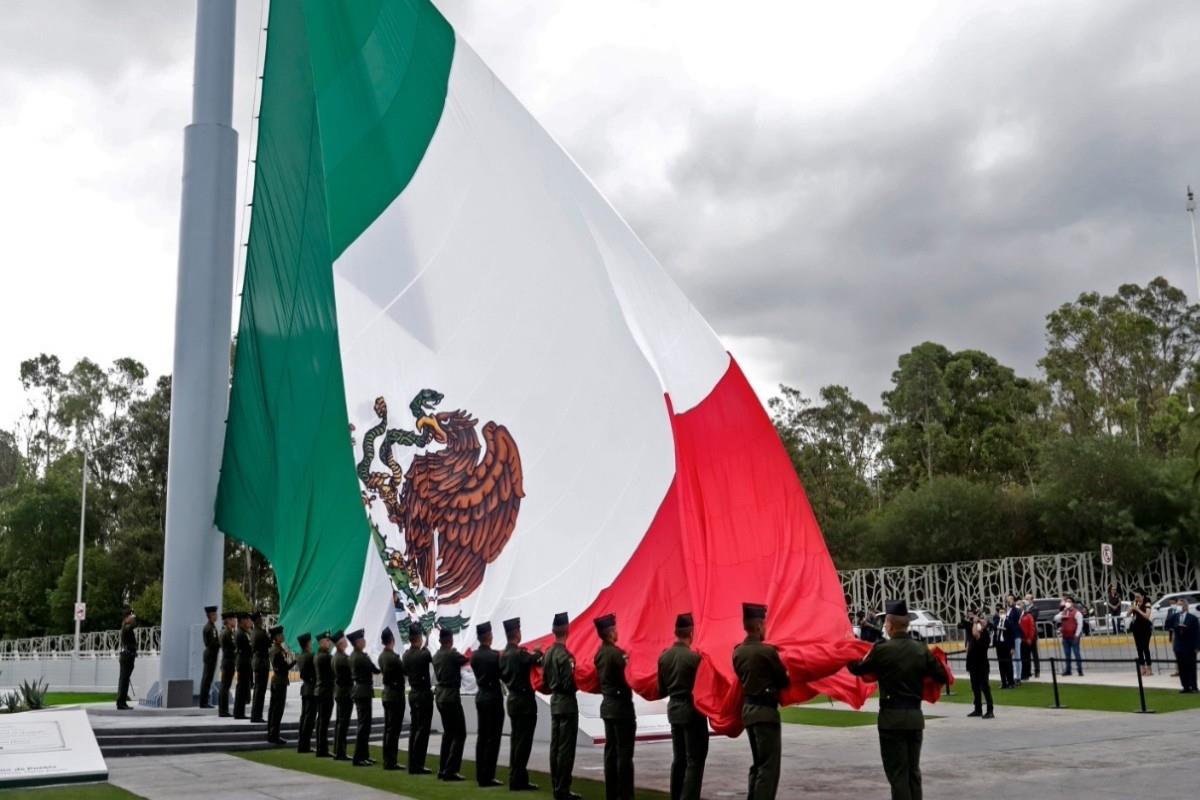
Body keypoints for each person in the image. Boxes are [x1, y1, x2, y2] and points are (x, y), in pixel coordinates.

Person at [848, 599, 949, 800]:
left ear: (891, 624)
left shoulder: (882, 649)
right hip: (914, 718)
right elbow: (942, 676)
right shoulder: (921, 649)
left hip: (891, 720)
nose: (884, 626)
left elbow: (857, 669)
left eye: (886, 623)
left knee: (898, 774)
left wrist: (846, 648)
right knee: (913, 772)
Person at [732, 602, 789, 800]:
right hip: (766, 713)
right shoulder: (767, 652)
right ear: (758, 626)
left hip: (748, 712)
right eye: (764, 624)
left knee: (757, 763)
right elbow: (783, 681)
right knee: (768, 768)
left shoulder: (737, 652)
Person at [657, 612, 708, 800]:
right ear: (691, 632)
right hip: (692, 712)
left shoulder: (664, 657)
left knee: (679, 759)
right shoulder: (695, 659)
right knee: (695, 760)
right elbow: (703, 689)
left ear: (675, 632)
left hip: (674, 711)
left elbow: (661, 690)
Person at [595, 613, 636, 800]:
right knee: (624, 754)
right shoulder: (617, 654)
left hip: (608, 707)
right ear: (610, 632)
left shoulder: (599, 654)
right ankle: (625, 794)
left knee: (610, 753)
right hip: (621, 708)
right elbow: (629, 675)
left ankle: (611, 793)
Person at [499, 616, 541, 791]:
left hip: (513, 700)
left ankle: (516, 777)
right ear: (516, 633)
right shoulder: (519, 654)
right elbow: (534, 659)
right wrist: (538, 651)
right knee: (523, 743)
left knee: (516, 741)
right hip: (525, 703)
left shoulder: (502, 656)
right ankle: (518, 780)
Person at [542, 612, 580, 800]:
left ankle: (556, 786)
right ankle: (562, 789)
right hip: (566, 703)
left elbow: (544, 681)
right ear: (567, 630)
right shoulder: (566, 656)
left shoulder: (548, 653)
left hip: (555, 702)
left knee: (555, 747)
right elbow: (569, 683)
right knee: (565, 749)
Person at [469, 621, 505, 788]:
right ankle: (488, 775)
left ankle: (480, 774)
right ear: (489, 636)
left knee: (482, 737)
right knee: (493, 738)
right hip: (493, 698)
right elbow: (502, 675)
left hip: (481, 696)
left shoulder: (475, 656)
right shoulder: (495, 656)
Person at [432, 627, 467, 781]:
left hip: (440, 696)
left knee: (448, 734)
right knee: (460, 734)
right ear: (450, 639)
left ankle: (442, 768)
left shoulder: (436, 655)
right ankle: (451, 770)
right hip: (451, 696)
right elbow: (465, 659)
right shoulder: (452, 654)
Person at [402, 622, 435, 775]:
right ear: (418, 638)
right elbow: (429, 656)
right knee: (423, 730)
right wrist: (428, 641)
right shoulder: (424, 654)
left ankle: (412, 763)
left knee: (414, 729)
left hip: (413, 693)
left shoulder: (406, 655)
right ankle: (418, 765)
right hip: (423, 694)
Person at [349, 628, 379, 766]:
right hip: (363, 691)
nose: (364, 641)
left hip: (360, 691)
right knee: (363, 726)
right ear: (358, 642)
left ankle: (364, 755)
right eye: (362, 639)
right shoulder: (361, 657)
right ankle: (359, 757)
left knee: (365, 725)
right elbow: (374, 669)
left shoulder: (355, 655)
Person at [378, 626, 405, 771]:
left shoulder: (381, 656)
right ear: (392, 641)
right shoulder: (393, 658)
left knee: (388, 730)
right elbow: (404, 670)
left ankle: (387, 759)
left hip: (387, 694)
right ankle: (391, 761)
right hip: (395, 696)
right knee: (394, 731)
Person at [266, 625, 293, 745]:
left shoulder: (278, 649)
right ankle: (273, 735)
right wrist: (294, 661)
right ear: (276, 637)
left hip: (279, 681)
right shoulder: (276, 651)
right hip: (279, 681)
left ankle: (272, 733)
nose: (283, 636)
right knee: (277, 710)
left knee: (274, 709)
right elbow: (283, 668)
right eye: (280, 635)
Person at [964, 612, 994, 719]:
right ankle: (978, 709)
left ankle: (990, 710)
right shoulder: (974, 633)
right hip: (973, 665)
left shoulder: (985, 635)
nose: (980, 623)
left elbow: (976, 633)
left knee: (985, 687)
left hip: (982, 665)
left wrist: (976, 621)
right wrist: (973, 619)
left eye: (983, 621)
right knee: (975, 687)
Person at [313, 630, 335, 758]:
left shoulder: (318, 655)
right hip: (325, 691)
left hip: (321, 690)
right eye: (327, 641)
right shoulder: (326, 657)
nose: (329, 643)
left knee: (321, 721)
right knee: (323, 722)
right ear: (321, 643)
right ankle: (322, 749)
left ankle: (321, 748)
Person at [332, 630, 353, 761]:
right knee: (343, 723)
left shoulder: (336, 656)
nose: (346, 641)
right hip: (345, 692)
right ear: (340, 644)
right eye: (344, 640)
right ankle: (341, 752)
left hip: (340, 691)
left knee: (340, 722)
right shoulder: (343, 659)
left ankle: (338, 750)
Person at [1170, 597, 1198, 693]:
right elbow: (1167, 625)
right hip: (1179, 646)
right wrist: (1174, 615)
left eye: (1181, 605)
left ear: (1185, 606)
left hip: (1190, 646)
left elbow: (1197, 633)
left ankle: (1193, 686)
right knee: (1182, 667)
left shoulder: (1193, 618)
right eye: (1178, 605)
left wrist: (1197, 647)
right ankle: (1185, 686)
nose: (1179, 607)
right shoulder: (1175, 617)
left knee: (1191, 667)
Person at [295, 632, 316, 753]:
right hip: (311, 689)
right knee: (309, 719)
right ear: (307, 644)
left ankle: (302, 744)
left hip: (305, 688)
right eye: (310, 642)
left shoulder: (300, 656)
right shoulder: (309, 656)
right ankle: (305, 746)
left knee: (304, 717)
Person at [1054, 597, 1085, 676]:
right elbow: (1056, 618)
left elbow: (1080, 625)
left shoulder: (1077, 613)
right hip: (1065, 637)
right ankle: (1068, 670)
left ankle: (1080, 670)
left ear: (1073, 603)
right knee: (1067, 655)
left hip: (1074, 637)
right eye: (1066, 602)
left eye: (1069, 601)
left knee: (1076, 653)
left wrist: (1077, 635)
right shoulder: (1064, 612)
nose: (1068, 603)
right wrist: (1063, 612)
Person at [250, 611, 270, 723]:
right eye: (260, 618)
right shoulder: (260, 633)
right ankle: (256, 715)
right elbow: (268, 643)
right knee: (260, 691)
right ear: (257, 620)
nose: (262, 619)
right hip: (261, 663)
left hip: (258, 662)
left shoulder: (254, 632)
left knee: (258, 690)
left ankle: (255, 714)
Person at [1129, 589, 1154, 677]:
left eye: (1138, 597)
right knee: (1139, 648)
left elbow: (1147, 616)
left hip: (1145, 628)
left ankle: (1149, 669)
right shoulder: (1135, 603)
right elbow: (1128, 615)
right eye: (1135, 597)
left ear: (1143, 596)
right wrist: (1132, 609)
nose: (1137, 598)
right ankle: (1142, 668)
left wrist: (1138, 609)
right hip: (1137, 628)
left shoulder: (1147, 604)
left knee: (1145, 648)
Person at [233, 612, 254, 718]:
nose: (248, 621)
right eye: (246, 619)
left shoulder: (245, 632)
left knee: (243, 687)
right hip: (243, 662)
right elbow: (247, 648)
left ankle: (240, 712)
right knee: (241, 688)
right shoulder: (240, 633)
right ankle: (238, 712)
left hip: (246, 662)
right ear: (241, 621)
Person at [218, 610, 237, 717]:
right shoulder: (227, 633)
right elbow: (231, 648)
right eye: (233, 619)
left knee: (226, 686)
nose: (235, 621)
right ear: (228, 621)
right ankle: (223, 710)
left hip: (229, 661)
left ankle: (224, 710)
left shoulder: (229, 632)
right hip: (228, 661)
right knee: (225, 686)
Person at [116, 608, 137, 710]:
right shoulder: (126, 627)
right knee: (124, 680)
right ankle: (121, 703)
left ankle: (122, 702)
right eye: (130, 616)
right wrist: (132, 618)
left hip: (127, 656)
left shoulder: (126, 626)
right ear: (126, 617)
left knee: (124, 680)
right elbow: (133, 625)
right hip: (127, 656)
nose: (132, 618)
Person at [199, 605, 219, 708]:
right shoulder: (209, 628)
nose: (216, 616)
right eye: (215, 614)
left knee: (208, 678)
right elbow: (212, 643)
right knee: (207, 679)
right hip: (210, 655)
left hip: (212, 655)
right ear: (210, 615)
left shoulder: (212, 626)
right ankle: (203, 702)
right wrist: (220, 643)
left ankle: (205, 701)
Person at [991, 605, 1013, 689]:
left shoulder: (1008, 622)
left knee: (1008, 665)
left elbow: (1012, 636)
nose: (1002, 614)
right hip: (999, 646)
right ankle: (1004, 683)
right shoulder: (996, 622)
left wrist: (1012, 647)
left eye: (1003, 612)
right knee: (1001, 665)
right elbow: (994, 631)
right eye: (1000, 613)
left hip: (1006, 646)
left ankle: (1011, 682)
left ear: (1006, 613)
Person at [1003, 594, 1023, 687]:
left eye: (1011, 599)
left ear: (1014, 600)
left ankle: (1018, 677)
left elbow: (1016, 618)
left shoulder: (1016, 610)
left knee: (1017, 656)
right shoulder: (1008, 610)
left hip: (1016, 635)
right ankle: (1014, 676)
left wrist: (1014, 605)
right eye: (1008, 599)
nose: (1009, 601)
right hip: (1010, 636)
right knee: (1012, 657)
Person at [1019, 601, 1036, 682]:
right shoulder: (1019, 615)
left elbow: (1032, 627)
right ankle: (1025, 673)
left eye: (1020, 604)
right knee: (1022, 657)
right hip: (1020, 639)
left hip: (1026, 639)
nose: (1018, 605)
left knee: (1026, 657)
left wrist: (1030, 638)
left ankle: (1026, 674)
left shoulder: (1028, 615)